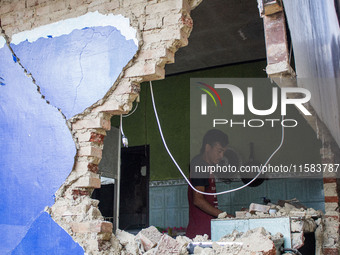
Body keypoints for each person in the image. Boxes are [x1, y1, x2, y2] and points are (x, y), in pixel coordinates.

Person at [186, 129, 233, 239]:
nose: (221, 156)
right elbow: (198, 200)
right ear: (208, 148)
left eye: (223, 152)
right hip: (200, 233)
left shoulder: (206, 166)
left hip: (207, 230)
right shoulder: (199, 165)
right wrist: (224, 216)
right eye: (219, 151)